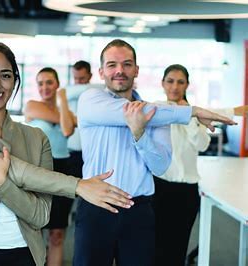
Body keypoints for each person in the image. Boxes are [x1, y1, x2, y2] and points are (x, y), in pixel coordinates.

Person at [0, 42, 134, 266]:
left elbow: (40, 216)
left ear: (14, 82)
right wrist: (77, 185)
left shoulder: (36, 138)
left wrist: (2, 181)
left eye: (5, 75)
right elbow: (18, 170)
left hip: (25, 255)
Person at [74, 39, 237, 266]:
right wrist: (194, 111)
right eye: (112, 65)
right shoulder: (91, 100)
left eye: (127, 64)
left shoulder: (161, 115)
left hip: (138, 210)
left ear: (137, 70)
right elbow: (127, 112)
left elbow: (160, 165)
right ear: (101, 72)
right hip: (97, 206)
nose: (119, 70)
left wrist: (140, 134)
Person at [153, 64, 248, 266]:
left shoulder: (195, 116)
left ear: (187, 84)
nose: (175, 87)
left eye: (180, 82)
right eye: (170, 81)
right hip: (158, 188)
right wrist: (192, 112)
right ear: (162, 83)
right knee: (154, 246)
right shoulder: (157, 108)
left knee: (177, 247)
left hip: (186, 192)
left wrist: (192, 118)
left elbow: (202, 144)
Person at [24, 67, 76, 266]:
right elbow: (67, 126)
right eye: (40, 83)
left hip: (63, 168)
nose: (45, 87)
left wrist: (62, 101)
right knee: (34, 231)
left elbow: (67, 129)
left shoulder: (65, 111)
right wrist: (65, 108)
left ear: (57, 84)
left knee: (57, 233)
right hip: (39, 169)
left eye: (49, 82)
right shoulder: (32, 106)